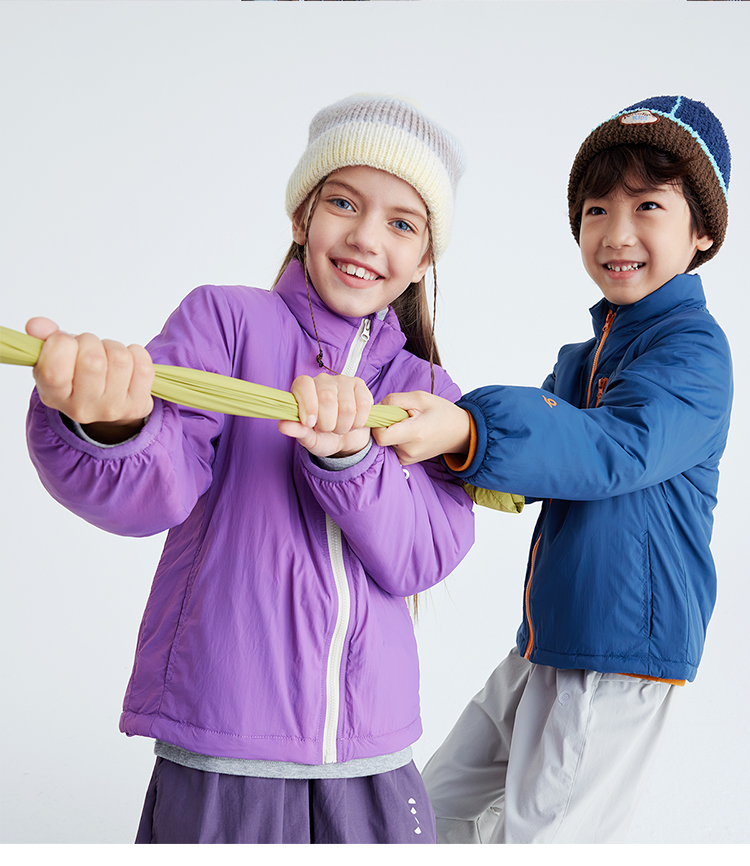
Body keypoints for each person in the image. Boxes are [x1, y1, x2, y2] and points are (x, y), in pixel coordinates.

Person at [23, 94, 474, 844]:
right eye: (343, 202)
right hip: (224, 744)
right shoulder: (226, 323)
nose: (366, 237)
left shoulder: (428, 393)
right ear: (301, 217)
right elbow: (158, 484)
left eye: (402, 223)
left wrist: (351, 457)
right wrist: (110, 424)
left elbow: (422, 553)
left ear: (426, 257)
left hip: (375, 757)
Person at [375, 95, 733, 843]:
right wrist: (414, 437)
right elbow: (526, 466)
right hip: (549, 637)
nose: (617, 232)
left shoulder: (693, 351)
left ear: (701, 232)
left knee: (543, 843)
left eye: (648, 206)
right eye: (597, 210)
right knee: (422, 817)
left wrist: (470, 426)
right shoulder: (587, 357)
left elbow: (611, 448)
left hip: (618, 651)